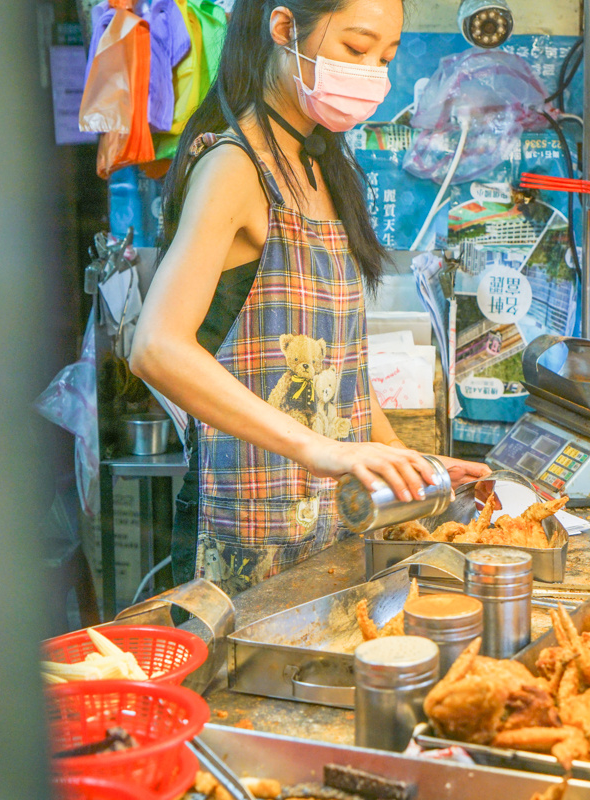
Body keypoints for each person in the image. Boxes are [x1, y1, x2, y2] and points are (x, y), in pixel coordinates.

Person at [130, 0, 490, 595]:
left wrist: (406, 463)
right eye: (355, 48)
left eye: (386, 57)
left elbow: (337, 363)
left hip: (328, 529)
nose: (374, 71)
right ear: (282, 28)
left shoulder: (322, 166)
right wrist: (320, 450)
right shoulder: (233, 166)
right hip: (247, 527)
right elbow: (157, 347)